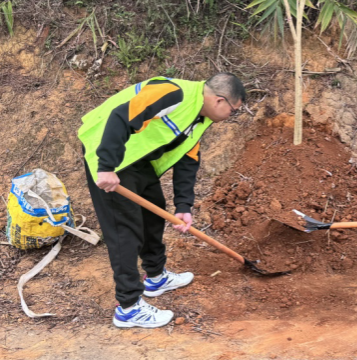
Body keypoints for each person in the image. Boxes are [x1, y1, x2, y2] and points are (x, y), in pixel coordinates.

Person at [78, 73, 246, 328]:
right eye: (234, 111)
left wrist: (183, 207)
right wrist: (106, 166)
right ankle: (128, 307)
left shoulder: (201, 117)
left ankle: (155, 276)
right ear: (220, 101)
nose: (231, 117)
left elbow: (188, 161)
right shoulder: (174, 93)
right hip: (108, 152)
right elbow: (121, 116)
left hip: (136, 158)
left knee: (154, 212)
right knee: (125, 230)